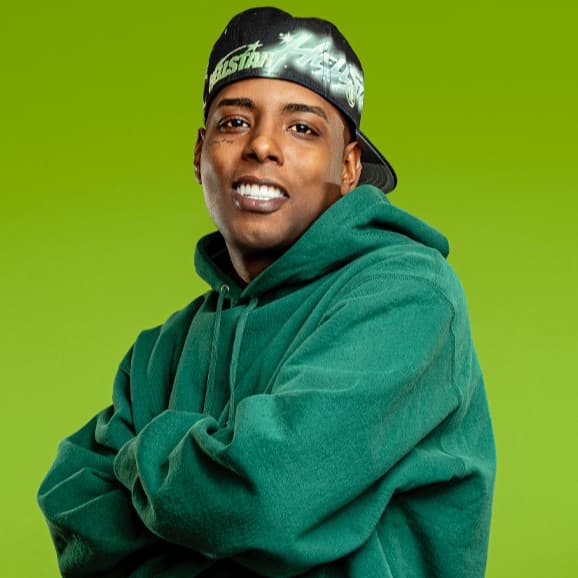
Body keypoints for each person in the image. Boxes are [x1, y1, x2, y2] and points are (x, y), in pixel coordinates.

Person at [38, 7, 496, 577]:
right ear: (200, 153)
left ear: (349, 167)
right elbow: (72, 501)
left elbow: (262, 498)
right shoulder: (160, 351)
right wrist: (212, 497)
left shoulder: (408, 299)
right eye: (235, 122)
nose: (261, 145)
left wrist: (139, 457)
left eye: (302, 128)